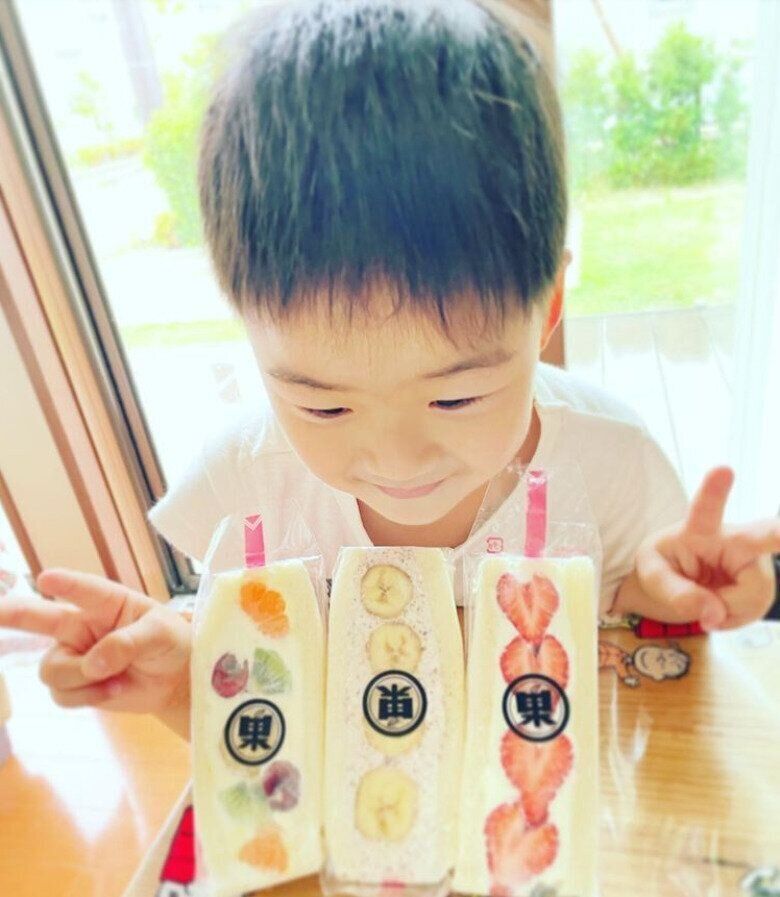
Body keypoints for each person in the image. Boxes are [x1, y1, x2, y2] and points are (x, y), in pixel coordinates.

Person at [1, 0, 777, 743]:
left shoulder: (610, 466)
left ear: (547, 311)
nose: (398, 461)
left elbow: (643, 654)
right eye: (324, 407)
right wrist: (179, 684)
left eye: (457, 397)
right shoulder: (247, 486)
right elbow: (263, 737)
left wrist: (685, 600)